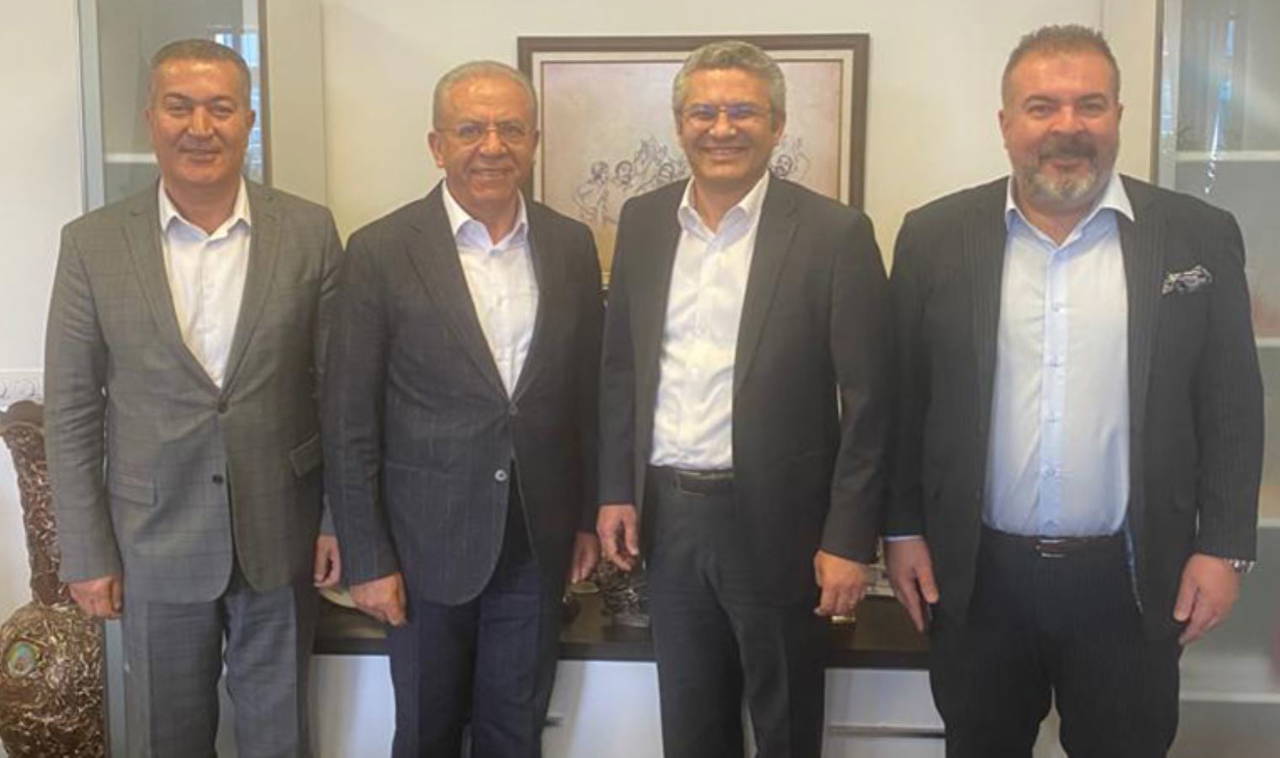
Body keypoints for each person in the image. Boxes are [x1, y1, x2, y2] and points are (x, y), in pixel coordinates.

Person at [886, 24, 1263, 757]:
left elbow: (1231, 406)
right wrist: (901, 530)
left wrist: (1223, 548)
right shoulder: (933, 236)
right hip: (978, 579)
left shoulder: (1197, 234)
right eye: (1042, 107)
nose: (1068, 126)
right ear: (1005, 124)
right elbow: (905, 398)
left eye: (1089, 105)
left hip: (1131, 580)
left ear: (1118, 115)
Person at [44, 38, 343, 756]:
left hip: (282, 532)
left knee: (280, 739)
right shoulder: (92, 244)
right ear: (151, 118)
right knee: (165, 740)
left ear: (248, 120)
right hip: (152, 541)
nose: (200, 128)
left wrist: (339, 520)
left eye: (221, 108)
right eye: (180, 107)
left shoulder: (309, 231)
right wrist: (85, 551)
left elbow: (339, 392)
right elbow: (73, 409)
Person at [596, 40, 891, 758]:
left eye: (742, 112)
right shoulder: (643, 221)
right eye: (703, 112)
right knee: (691, 729)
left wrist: (849, 540)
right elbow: (621, 369)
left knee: (785, 728)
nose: (721, 128)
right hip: (670, 520)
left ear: (777, 125)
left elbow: (871, 400)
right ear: (680, 124)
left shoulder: (834, 233)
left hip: (781, 526)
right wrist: (615, 491)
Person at [323, 60, 601, 757]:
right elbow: (349, 419)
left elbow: (586, 396)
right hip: (423, 549)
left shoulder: (570, 245)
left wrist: (586, 518)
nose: (492, 146)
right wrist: (367, 558)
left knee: (516, 734)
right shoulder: (381, 251)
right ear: (436, 145)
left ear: (534, 141)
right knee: (427, 732)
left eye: (511, 129)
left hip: (535, 542)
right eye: (471, 129)